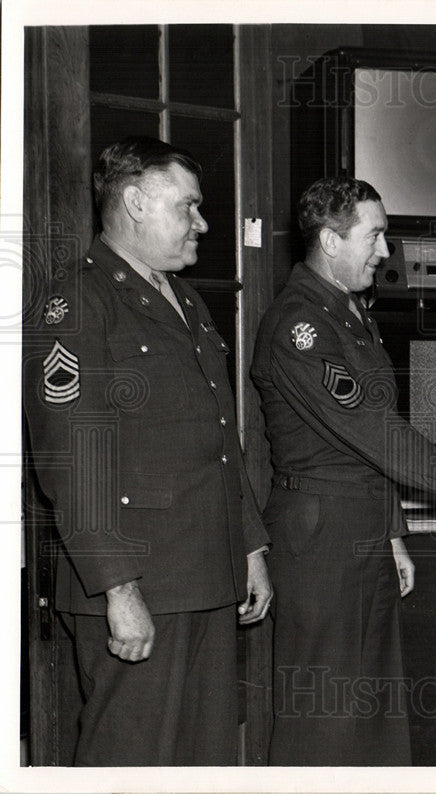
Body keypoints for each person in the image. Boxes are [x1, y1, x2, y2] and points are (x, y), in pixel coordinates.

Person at [22, 136, 273, 766]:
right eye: (187, 206)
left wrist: (249, 548)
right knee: (131, 760)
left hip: (204, 577)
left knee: (204, 758)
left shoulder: (183, 300)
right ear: (134, 202)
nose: (203, 222)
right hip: (139, 586)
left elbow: (221, 442)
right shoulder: (77, 302)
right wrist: (117, 590)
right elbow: (72, 461)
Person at [251, 176, 436, 765]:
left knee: (372, 706)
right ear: (329, 239)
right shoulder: (301, 326)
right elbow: (373, 431)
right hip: (321, 537)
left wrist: (394, 532)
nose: (385, 251)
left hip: (363, 527)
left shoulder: (349, 313)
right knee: (322, 711)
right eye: (374, 236)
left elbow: (374, 434)